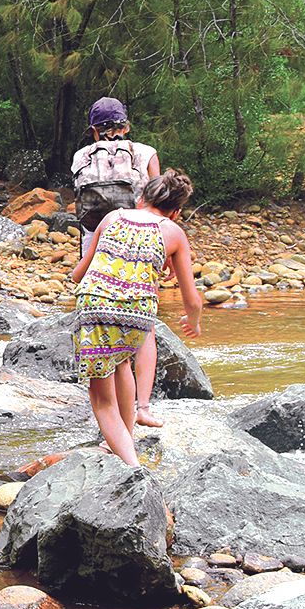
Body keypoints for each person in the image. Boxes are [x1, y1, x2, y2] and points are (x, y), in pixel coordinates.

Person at [68, 170, 205, 466]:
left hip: (95, 306)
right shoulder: (173, 232)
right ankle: (125, 437)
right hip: (138, 314)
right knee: (121, 363)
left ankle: (133, 468)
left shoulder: (112, 217)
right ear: (177, 211)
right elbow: (192, 299)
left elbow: (79, 273)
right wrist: (192, 323)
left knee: (103, 402)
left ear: (142, 198)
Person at [71, 97, 160, 254]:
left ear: (93, 131)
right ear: (126, 128)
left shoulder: (81, 155)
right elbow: (158, 200)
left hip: (94, 238)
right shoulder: (148, 152)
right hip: (137, 236)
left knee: (91, 277)